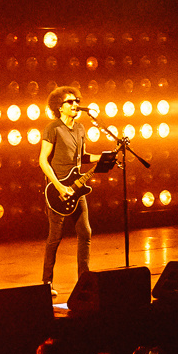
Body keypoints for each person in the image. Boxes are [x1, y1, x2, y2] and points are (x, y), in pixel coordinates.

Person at [38, 86, 114, 293]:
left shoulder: (80, 128)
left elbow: (83, 157)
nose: (75, 105)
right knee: (55, 236)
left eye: (76, 100)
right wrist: (59, 186)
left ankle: (84, 279)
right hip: (57, 189)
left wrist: (104, 156)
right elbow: (43, 160)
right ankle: (46, 282)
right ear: (59, 107)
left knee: (85, 232)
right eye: (70, 102)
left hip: (77, 187)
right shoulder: (52, 128)